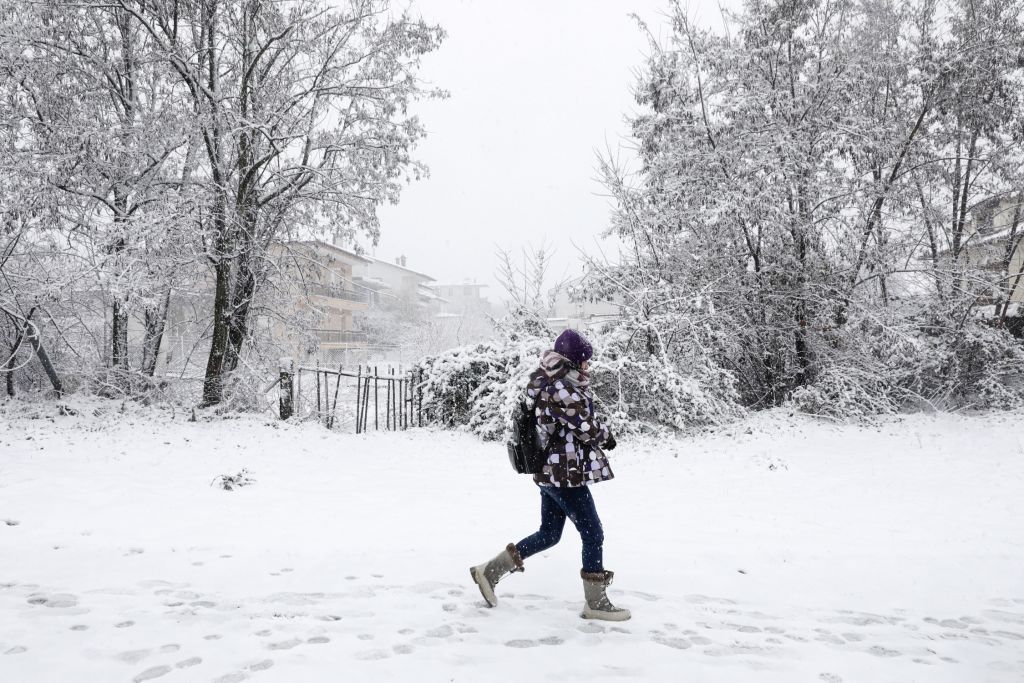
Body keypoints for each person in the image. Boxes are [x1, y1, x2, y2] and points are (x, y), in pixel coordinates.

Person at [470, 329, 630, 621]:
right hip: (562, 474)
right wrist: (606, 437)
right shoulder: (559, 389)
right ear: (571, 363)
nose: (588, 367)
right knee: (593, 532)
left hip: (551, 471)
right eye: (584, 362)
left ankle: (488, 572)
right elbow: (585, 425)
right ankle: (595, 603)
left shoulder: (550, 383)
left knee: (549, 534)